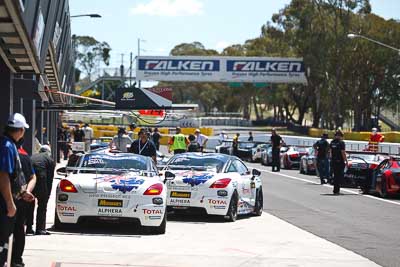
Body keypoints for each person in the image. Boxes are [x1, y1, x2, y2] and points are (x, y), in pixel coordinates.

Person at [0, 113, 34, 267]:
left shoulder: (9, 144)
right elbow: (4, 176)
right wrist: (9, 203)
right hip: (3, 203)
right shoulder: (7, 146)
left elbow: (14, 177)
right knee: (3, 240)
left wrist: (22, 193)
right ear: (20, 130)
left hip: (10, 198)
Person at [13, 139, 36, 266]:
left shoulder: (7, 153)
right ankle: (17, 259)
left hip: (7, 199)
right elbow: (33, 177)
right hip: (21, 199)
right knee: (20, 228)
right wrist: (27, 191)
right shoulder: (26, 157)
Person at [29, 145, 55, 235]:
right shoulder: (50, 160)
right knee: (42, 206)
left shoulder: (32, 157)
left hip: (30, 181)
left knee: (29, 204)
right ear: (49, 152)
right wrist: (47, 194)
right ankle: (40, 229)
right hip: (42, 181)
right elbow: (50, 179)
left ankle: (28, 227)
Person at [329, 130, 348, 195]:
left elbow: (330, 152)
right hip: (340, 161)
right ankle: (337, 190)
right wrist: (346, 161)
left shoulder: (332, 142)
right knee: (339, 176)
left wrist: (331, 159)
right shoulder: (341, 143)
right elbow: (343, 153)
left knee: (335, 175)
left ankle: (335, 190)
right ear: (341, 136)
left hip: (333, 161)